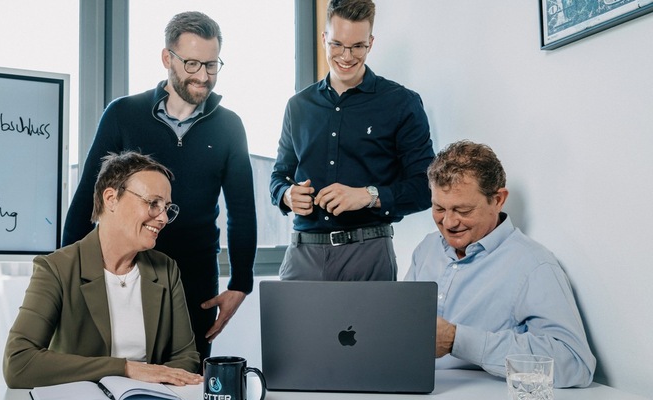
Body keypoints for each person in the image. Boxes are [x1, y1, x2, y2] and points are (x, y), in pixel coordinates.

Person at [62, 11, 256, 361]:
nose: (203, 76)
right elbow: (88, 200)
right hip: (125, 272)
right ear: (168, 58)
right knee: (121, 375)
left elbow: (241, 211)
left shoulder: (230, 126)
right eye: (192, 64)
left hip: (195, 280)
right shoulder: (123, 114)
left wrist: (240, 283)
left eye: (212, 65)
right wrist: (66, 275)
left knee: (187, 378)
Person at [405, 140, 596, 388]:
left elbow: (575, 364)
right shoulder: (427, 248)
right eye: (439, 208)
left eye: (463, 210)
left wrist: (457, 340)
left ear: (498, 200)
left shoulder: (534, 266)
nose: (449, 223)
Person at [4, 151, 201, 389]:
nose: (163, 218)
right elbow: (19, 363)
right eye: (153, 203)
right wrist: (126, 368)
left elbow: (186, 357)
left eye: (167, 207)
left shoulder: (166, 269)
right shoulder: (56, 268)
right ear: (111, 199)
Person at [269, 0, 434, 281]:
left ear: (371, 43)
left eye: (357, 46)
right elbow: (279, 176)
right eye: (337, 44)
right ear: (324, 39)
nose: (346, 56)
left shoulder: (402, 103)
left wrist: (368, 196)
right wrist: (286, 195)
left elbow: (425, 187)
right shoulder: (298, 106)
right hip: (302, 254)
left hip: (368, 254)